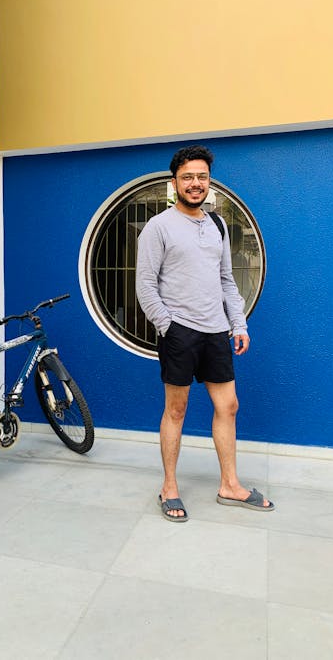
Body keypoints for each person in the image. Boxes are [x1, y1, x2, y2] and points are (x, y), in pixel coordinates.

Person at [136, 145, 274, 521]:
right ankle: (169, 486)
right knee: (176, 410)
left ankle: (230, 485)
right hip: (179, 332)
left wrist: (238, 324)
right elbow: (145, 287)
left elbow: (227, 280)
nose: (195, 184)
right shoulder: (158, 227)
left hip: (216, 332)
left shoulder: (217, 224)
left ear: (208, 181)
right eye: (187, 177)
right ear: (174, 182)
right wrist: (169, 327)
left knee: (228, 406)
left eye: (201, 177)